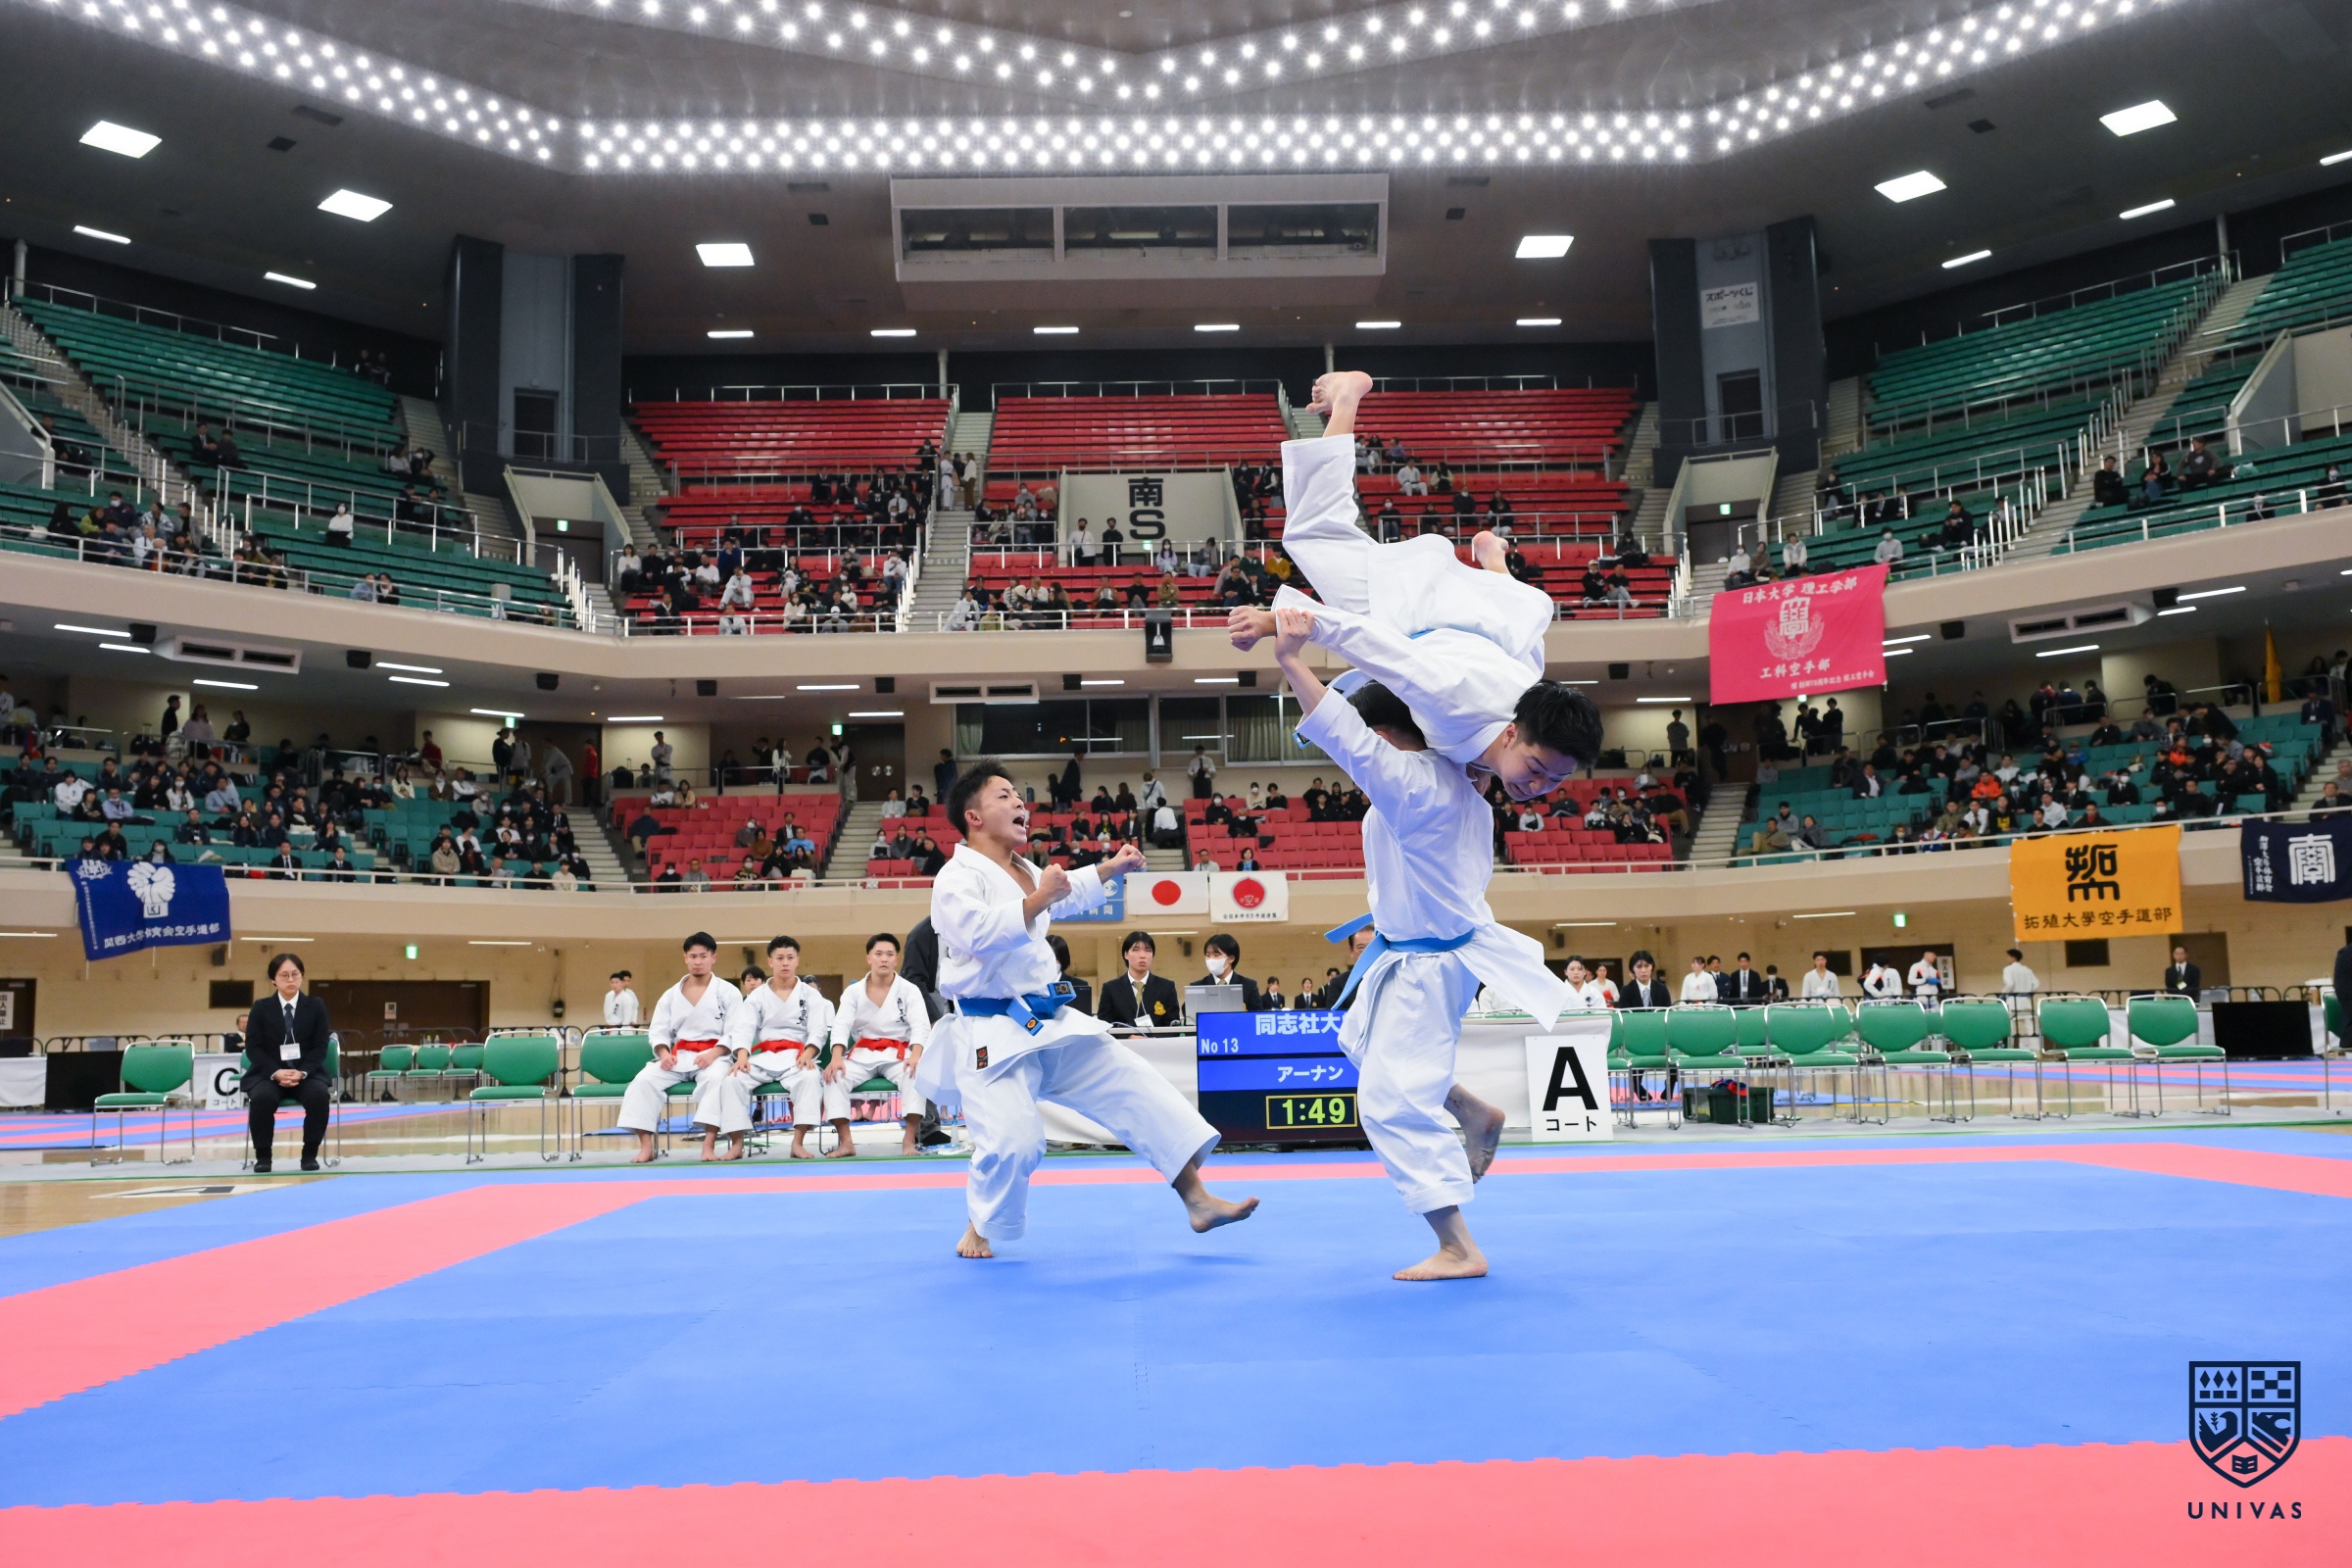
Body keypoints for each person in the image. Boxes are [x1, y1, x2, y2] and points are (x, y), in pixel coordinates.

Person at [1267, 601, 1589, 1281]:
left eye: (1553, 779)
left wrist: (1292, 659)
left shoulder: (1415, 785)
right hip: (1426, 952)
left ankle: (1458, 1246)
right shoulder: (1465, 779)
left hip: (1426, 966)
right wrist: (1495, 571)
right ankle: (1473, 1111)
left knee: (1390, 1103)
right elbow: (1508, 673)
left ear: (1390, 733)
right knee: (1359, 1040)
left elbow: (1343, 735)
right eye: (1537, 770)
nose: (1539, 787)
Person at [916, 762, 1256, 1258]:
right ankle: (980, 1226)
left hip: (1048, 1022)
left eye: (1018, 795)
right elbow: (978, 933)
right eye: (1004, 795)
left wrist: (1110, 868)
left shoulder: (1023, 868)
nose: (1019, 802)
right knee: (1014, 1143)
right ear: (973, 816)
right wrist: (1040, 897)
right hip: (991, 1028)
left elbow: (1063, 893)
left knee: (1134, 1084)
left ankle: (1197, 1199)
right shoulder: (956, 877)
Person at [614, 933, 744, 1163]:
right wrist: (664, 1053)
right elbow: (658, 1030)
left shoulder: (728, 992)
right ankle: (646, 1146)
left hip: (715, 1056)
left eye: (703, 956)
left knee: (717, 1080)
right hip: (679, 1056)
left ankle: (708, 1145)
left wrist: (714, 1054)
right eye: (693, 956)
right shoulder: (671, 995)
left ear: (713, 958)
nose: (698, 961)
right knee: (643, 1080)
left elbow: (735, 1030)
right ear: (685, 958)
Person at [711, 935, 843, 1161]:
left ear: (797, 961)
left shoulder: (810, 995)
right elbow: (743, 1029)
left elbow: (818, 1030)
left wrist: (808, 1053)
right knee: (732, 1080)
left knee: (810, 1078)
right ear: (770, 961)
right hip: (765, 1057)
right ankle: (737, 1143)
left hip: (797, 1056)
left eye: (790, 958)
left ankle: (798, 1142)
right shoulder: (757, 996)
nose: (785, 963)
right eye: (780, 958)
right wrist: (742, 1057)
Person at [828, 932, 935, 1156]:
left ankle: (909, 1141)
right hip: (863, 1054)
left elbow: (921, 1026)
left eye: (889, 954)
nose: (884, 959)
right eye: (878, 954)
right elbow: (841, 1025)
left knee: (916, 1074)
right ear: (869, 958)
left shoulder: (909, 990)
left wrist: (916, 1056)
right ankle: (846, 1142)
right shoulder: (853, 992)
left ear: (897, 959)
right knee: (834, 1076)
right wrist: (836, 1058)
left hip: (898, 1054)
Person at [241, 953, 333, 1172]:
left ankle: (309, 1154)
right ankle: (263, 1156)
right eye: (284, 975)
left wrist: (302, 1072)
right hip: (269, 1075)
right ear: (273, 979)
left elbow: (321, 1045)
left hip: (306, 1074)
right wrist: (276, 1072)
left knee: (319, 1096)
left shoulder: (315, 1005)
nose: (290, 980)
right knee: (261, 1098)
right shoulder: (261, 1007)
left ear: (302, 976)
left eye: (295, 974)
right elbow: (253, 1048)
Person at [1099, 929, 1181, 1029]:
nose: (1142, 956)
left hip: (1156, 1039)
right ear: (1126, 954)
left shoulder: (1166, 987)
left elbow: (1173, 1025)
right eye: (1136, 950)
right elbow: (1104, 1025)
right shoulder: (1111, 989)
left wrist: (1154, 1037)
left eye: (1148, 950)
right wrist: (1129, 1036)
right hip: (1124, 1039)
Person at [1200, 932, 1271, 1011]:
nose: (1211, 959)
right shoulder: (1198, 986)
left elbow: (1256, 1015)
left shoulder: (1249, 986)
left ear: (1231, 958)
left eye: (1216, 955)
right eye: (1208, 955)